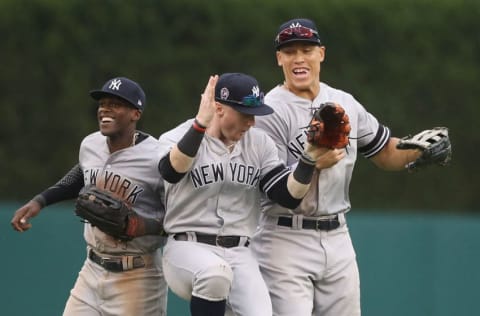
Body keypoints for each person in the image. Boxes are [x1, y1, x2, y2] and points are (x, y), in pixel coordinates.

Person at [249, 18, 450, 316]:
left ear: (322, 54)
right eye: (289, 52)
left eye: (306, 49)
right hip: (283, 238)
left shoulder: (345, 102)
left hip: (337, 236)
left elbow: (384, 152)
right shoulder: (269, 110)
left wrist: (417, 151)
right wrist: (312, 163)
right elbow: (279, 192)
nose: (299, 58)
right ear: (279, 59)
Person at [157, 73, 336, 316]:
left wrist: (308, 159)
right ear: (218, 108)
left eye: (254, 115)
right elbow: (171, 171)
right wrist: (199, 124)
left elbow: (286, 195)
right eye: (245, 114)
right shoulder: (177, 137)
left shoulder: (259, 144)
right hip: (186, 249)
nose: (251, 122)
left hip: (240, 252)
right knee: (214, 274)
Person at [11, 77, 168, 316]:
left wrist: (142, 226)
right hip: (92, 270)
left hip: (138, 277)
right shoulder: (91, 144)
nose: (105, 109)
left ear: (135, 113)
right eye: (102, 103)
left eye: (115, 104)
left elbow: (180, 217)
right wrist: (41, 200)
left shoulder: (159, 158)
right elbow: (81, 173)